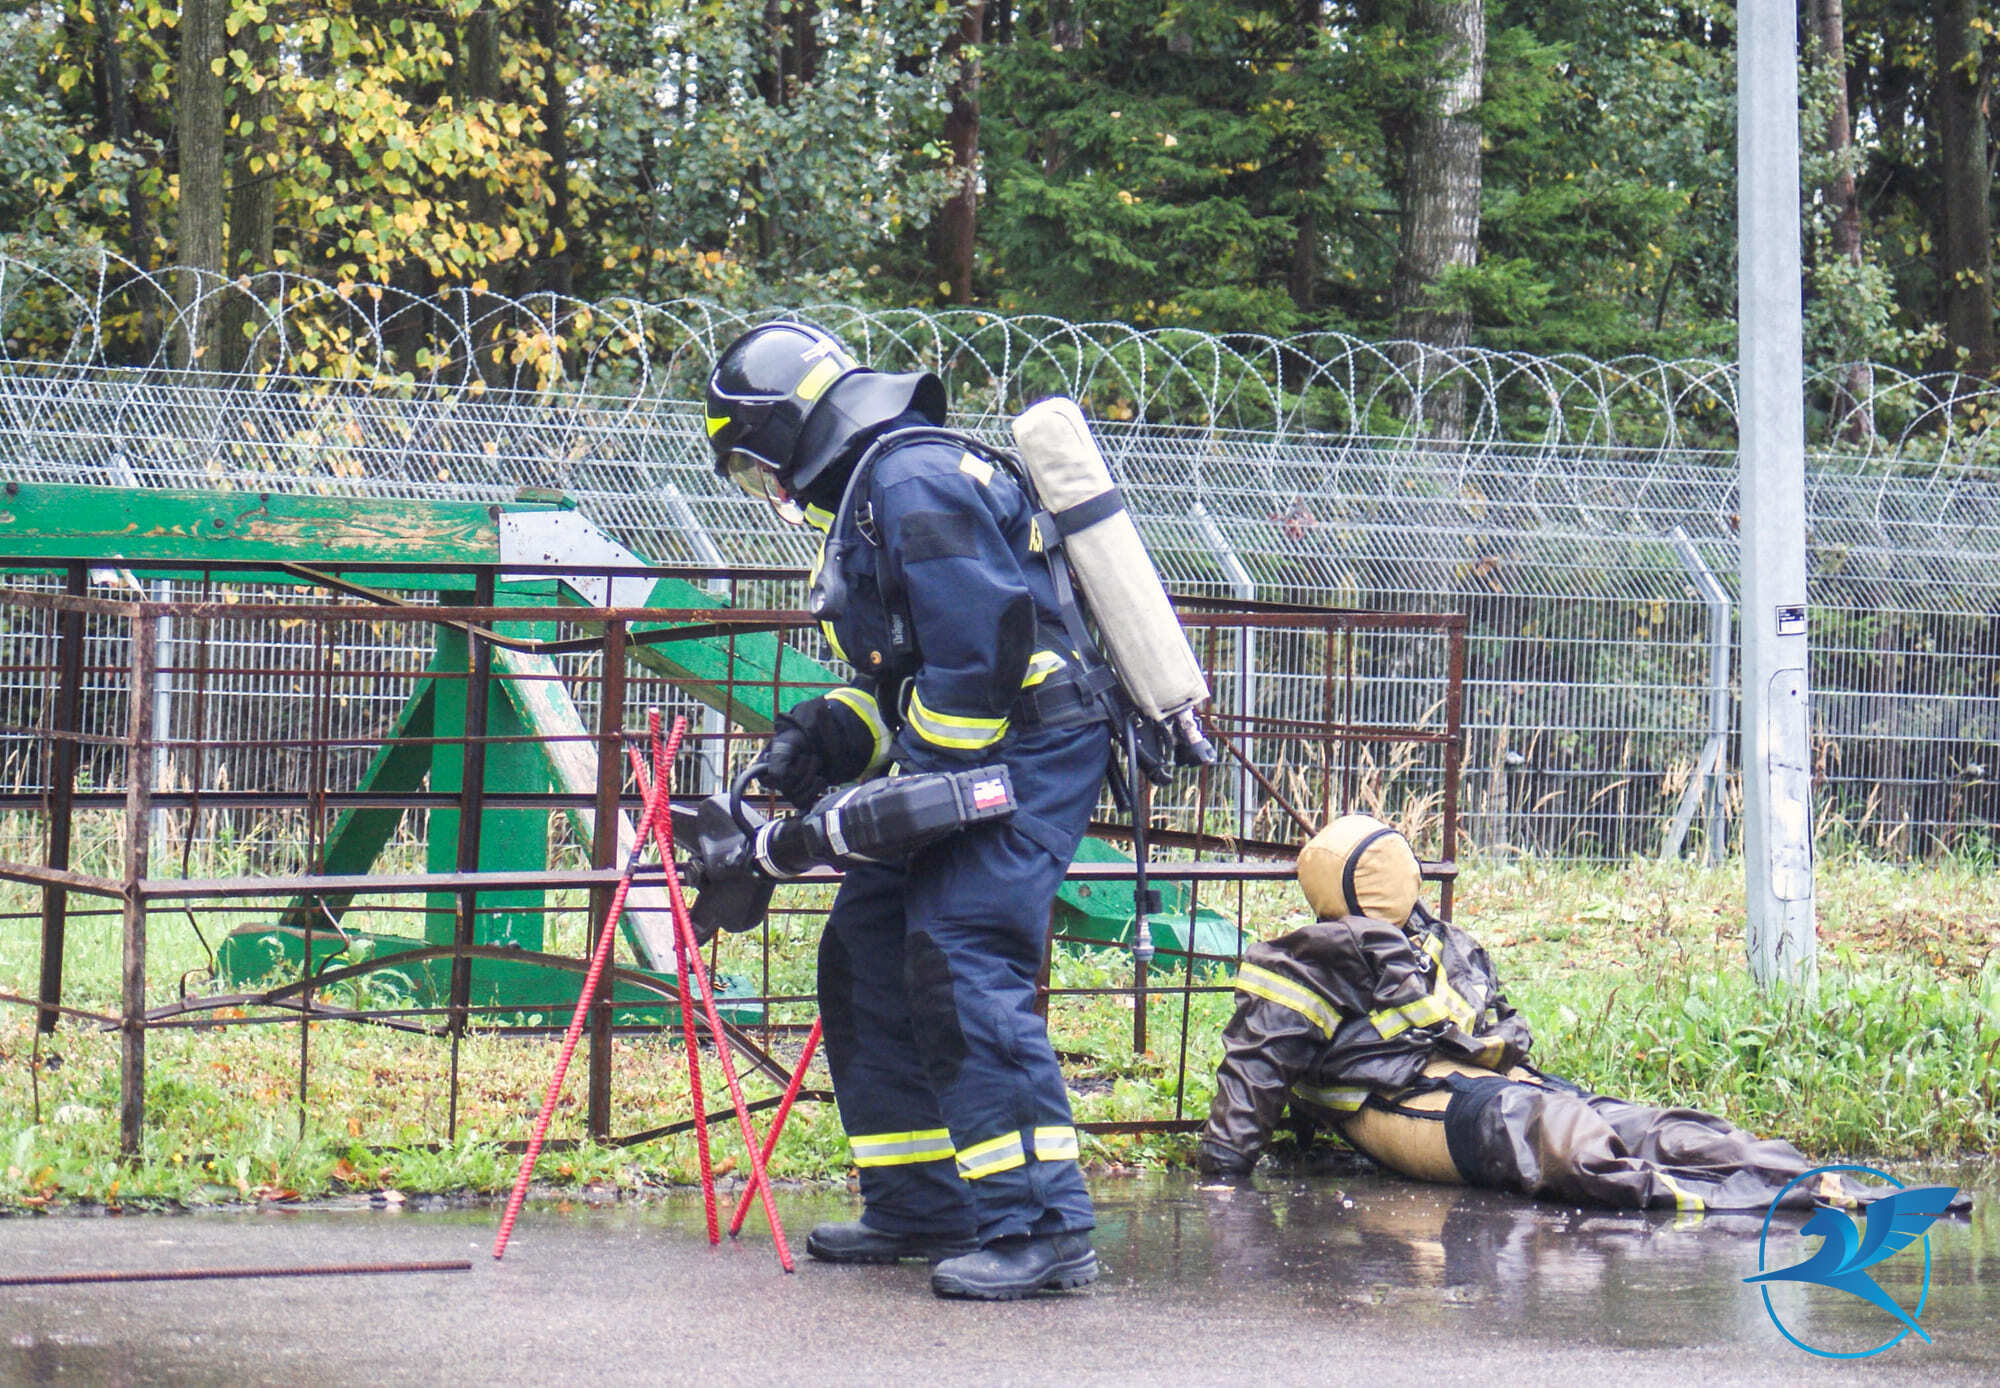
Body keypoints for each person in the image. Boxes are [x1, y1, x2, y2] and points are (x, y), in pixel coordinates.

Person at [703, 321, 1113, 1298]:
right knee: (869, 946)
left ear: (788, 429)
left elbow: (980, 657)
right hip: (980, 750)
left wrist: (914, 794)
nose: (769, 486)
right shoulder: (881, 486)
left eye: (757, 462)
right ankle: (922, 1200)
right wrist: (821, 737)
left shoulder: (911, 480)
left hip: (1026, 754)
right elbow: (904, 682)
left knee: (959, 952)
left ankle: (1042, 1225)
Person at [1198, 814, 1895, 1213]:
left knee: (1623, 1129)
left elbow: (1252, 1075)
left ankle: (1790, 1186)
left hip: (1468, 1096)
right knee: (1583, 1131)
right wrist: (1224, 1169)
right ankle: (1780, 1191)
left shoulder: (1399, 946)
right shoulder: (1338, 956)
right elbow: (1258, 1074)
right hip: (1432, 1100)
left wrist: (1222, 1172)